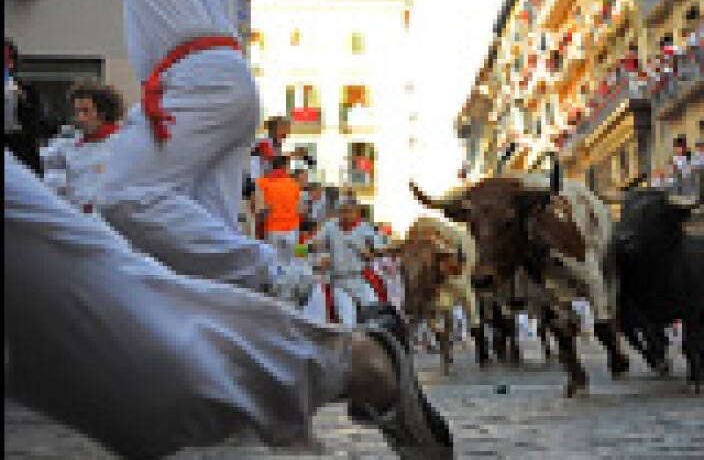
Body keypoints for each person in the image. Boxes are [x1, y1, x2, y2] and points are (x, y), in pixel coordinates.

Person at [6, 150, 453, 459]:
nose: (348, 215)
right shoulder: (330, 229)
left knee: (148, 387)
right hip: (320, 270)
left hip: (350, 279)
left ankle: (362, 361)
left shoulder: (360, 232)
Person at [23, 0, 277, 291]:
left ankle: (271, 274)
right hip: (231, 80)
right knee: (210, 246)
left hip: (194, 80)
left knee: (124, 195)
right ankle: (256, 314)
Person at [45, 82, 124, 214]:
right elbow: (50, 182)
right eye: (77, 111)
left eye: (86, 111)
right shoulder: (65, 146)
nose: (80, 118)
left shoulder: (124, 143)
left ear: (103, 113)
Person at [4, 37, 55, 176]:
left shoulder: (26, 91)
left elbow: (42, 125)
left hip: (21, 157)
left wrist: (24, 101)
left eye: (8, 61)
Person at [255, 154, 302, 267]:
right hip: (292, 228)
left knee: (274, 263)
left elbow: (258, 207)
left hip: (272, 228)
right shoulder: (294, 185)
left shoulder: (262, 183)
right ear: (285, 167)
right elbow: (299, 208)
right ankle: (295, 281)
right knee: (295, 262)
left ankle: (277, 283)